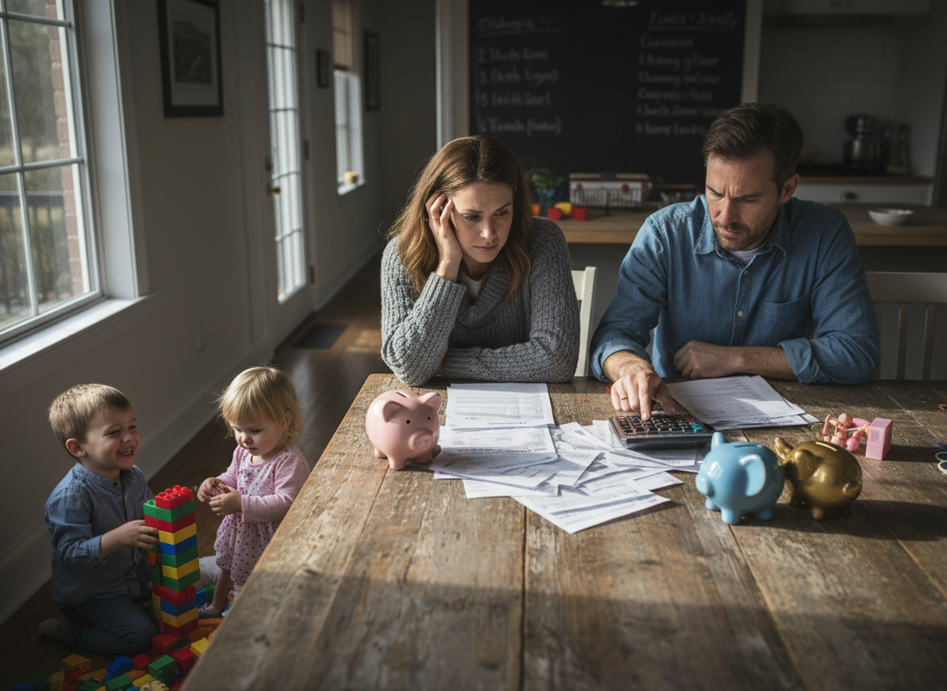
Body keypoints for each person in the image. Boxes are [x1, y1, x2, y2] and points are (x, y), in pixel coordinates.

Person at [590, 103, 879, 417]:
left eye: (747, 199)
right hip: (678, 411)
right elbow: (616, 333)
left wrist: (736, 358)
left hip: (790, 415)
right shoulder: (665, 234)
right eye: (715, 192)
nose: (725, 216)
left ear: (787, 188)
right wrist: (632, 368)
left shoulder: (824, 233)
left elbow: (857, 353)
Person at [381, 134, 580, 386]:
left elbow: (557, 360)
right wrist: (448, 265)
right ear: (438, 209)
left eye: (502, 213)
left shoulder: (543, 241)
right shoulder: (402, 255)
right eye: (471, 216)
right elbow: (410, 368)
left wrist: (447, 364)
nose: (489, 234)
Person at [41, 383, 159, 655]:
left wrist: (171, 512)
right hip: (90, 595)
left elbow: (150, 518)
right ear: (78, 447)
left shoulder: (134, 476)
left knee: (177, 605)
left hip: (132, 578)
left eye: (132, 427)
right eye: (114, 433)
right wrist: (115, 539)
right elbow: (69, 555)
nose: (129, 438)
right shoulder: (71, 496)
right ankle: (67, 630)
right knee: (140, 637)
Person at [197, 366, 310, 617]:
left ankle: (248, 612)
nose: (244, 439)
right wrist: (216, 482)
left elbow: (287, 502)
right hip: (240, 531)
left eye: (254, 430)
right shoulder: (243, 452)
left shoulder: (288, 461)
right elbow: (233, 476)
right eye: (237, 429)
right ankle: (217, 605)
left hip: (269, 537)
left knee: (257, 577)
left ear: (285, 420)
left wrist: (241, 503)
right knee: (228, 567)